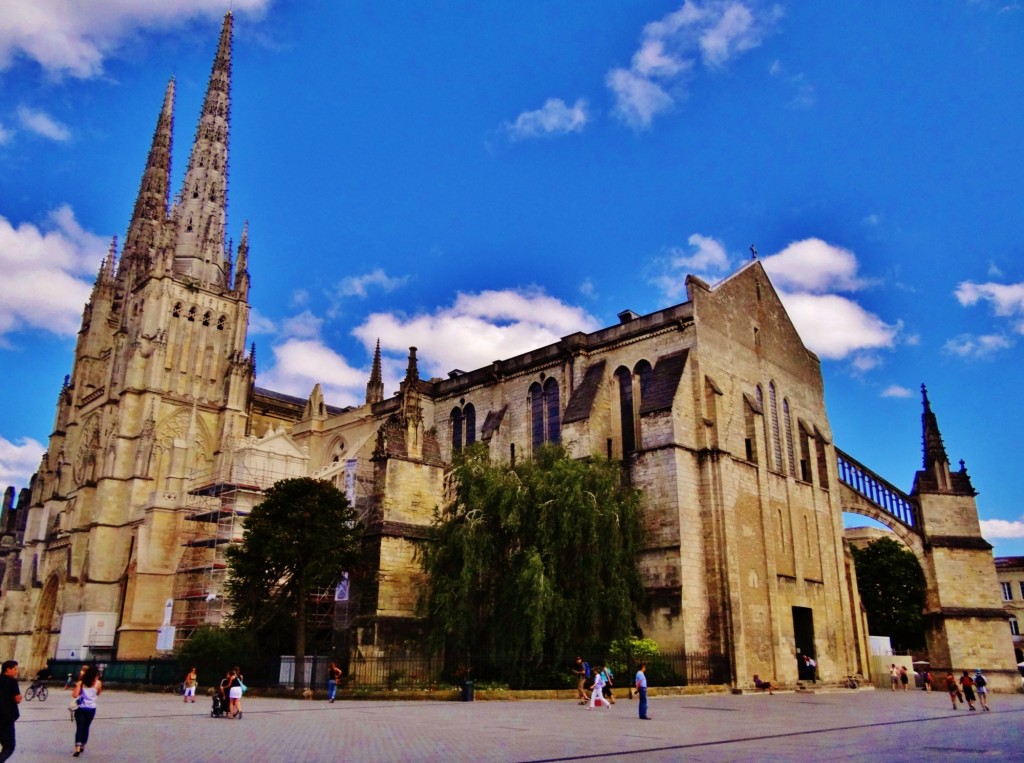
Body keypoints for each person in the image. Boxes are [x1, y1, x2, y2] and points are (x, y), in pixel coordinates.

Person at [71, 664, 102, 757]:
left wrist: (81, 692)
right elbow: (98, 693)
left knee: (79, 727)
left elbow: (74, 695)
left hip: (80, 708)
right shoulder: (98, 683)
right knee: (86, 727)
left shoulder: (81, 683)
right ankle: (83, 746)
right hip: (91, 708)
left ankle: (77, 748)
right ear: (96, 674)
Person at [0, 660, 21, 763]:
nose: (17, 671)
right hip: (6, 719)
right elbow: (17, 699)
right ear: (8, 669)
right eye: (15, 669)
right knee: (9, 747)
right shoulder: (12, 681)